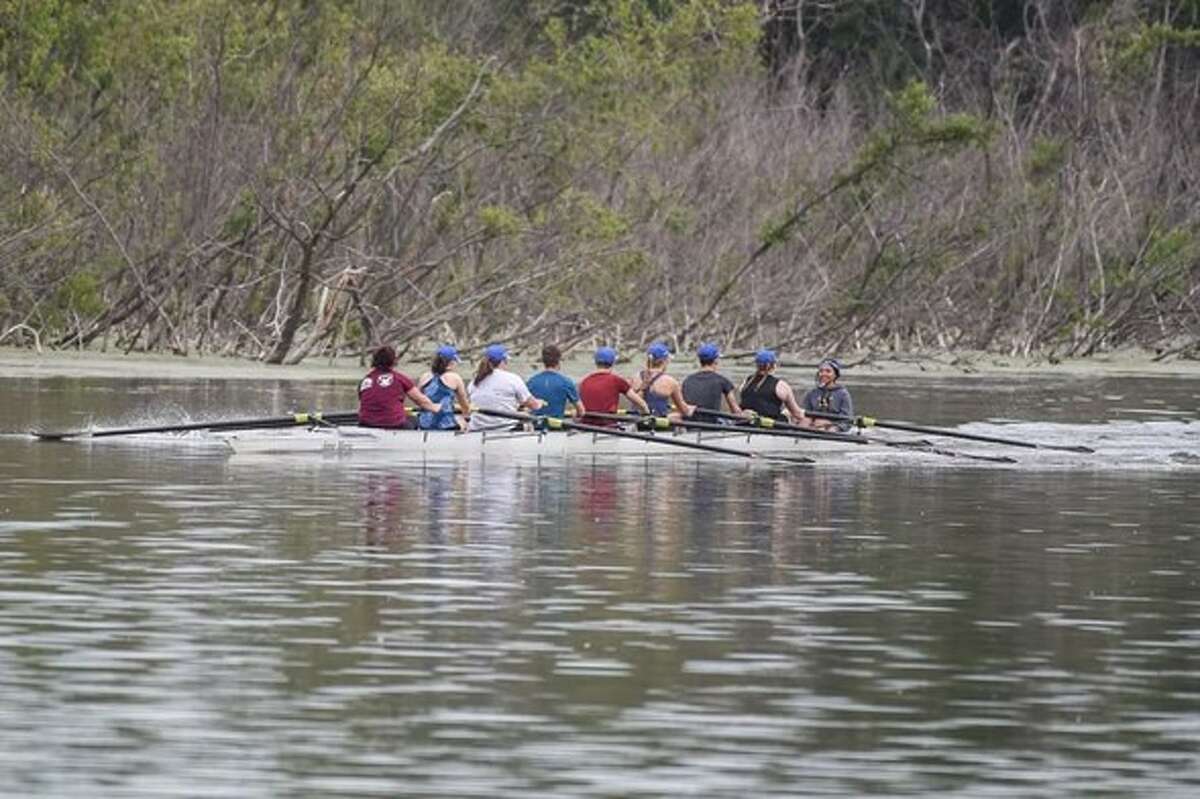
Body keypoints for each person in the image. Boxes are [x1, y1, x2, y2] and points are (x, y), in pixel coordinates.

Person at [467, 344, 545, 431]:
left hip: (477, 429)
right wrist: (539, 403)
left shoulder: (474, 381)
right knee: (528, 419)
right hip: (505, 428)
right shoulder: (512, 379)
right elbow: (533, 405)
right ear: (503, 361)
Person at [358, 345, 439, 429]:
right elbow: (421, 401)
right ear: (393, 361)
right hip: (394, 424)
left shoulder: (365, 380)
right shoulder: (400, 379)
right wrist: (438, 408)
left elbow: (366, 401)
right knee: (414, 420)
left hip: (366, 423)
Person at [578, 346, 649, 426]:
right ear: (613, 363)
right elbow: (641, 403)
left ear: (595, 362)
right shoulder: (617, 381)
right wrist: (646, 414)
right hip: (608, 426)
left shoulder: (584, 381)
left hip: (586, 426)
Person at [738, 349, 808, 424]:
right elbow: (796, 413)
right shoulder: (781, 386)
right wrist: (805, 416)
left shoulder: (746, 382)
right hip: (769, 426)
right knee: (790, 416)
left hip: (745, 422)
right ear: (773, 365)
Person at [629, 342, 694, 420]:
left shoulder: (635, 377)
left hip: (637, 424)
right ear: (665, 361)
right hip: (659, 426)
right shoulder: (670, 381)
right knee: (679, 417)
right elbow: (683, 410)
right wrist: (691, 409)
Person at [681, 342, 744, 422]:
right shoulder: (722, 381)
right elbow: (736, 411)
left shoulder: (687, 380)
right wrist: (747, 416)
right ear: (716, 360)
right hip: (711, 426)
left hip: (689, 425)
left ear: (700, 361)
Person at [416, 344, 472, 430]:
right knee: (463, 424)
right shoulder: (455, 378)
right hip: (446, 425)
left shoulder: (424, 377)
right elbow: (464, 404)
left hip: (424, 425)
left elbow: (418, 400)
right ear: (451, 363)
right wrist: (466, 418)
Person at [527, 344, 584, 419]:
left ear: (543, 361)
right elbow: (581, 411)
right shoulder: (566, 382)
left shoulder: (531, 381)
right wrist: (574, 414)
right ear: (559, 361)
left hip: (535, 427)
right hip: (556, 427)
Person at [801, 357, 854, 431]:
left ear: (835, 375)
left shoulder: (843, 394)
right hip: (813, 427)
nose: (823, 374)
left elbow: (847, 420)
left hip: (832, 429)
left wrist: (833, 427)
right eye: (821, 371)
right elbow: (805, 413)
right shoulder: (811, 393)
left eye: (828, 371)